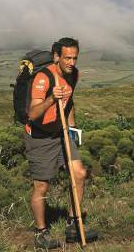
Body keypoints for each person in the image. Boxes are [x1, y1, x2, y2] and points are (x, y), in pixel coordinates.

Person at [25, 37, 88, 249]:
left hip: (62, 133)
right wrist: (52, 98)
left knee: (79, 174)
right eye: (67, 58)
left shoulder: (74, 75)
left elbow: (69, 103)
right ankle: (41, 233)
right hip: (40, 137)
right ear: (56, 57)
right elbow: (32, 114)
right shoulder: (43, 78)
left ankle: (72, 225)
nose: (72, 62)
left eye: (75, 58)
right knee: (42, 185)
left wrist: (72, 130)